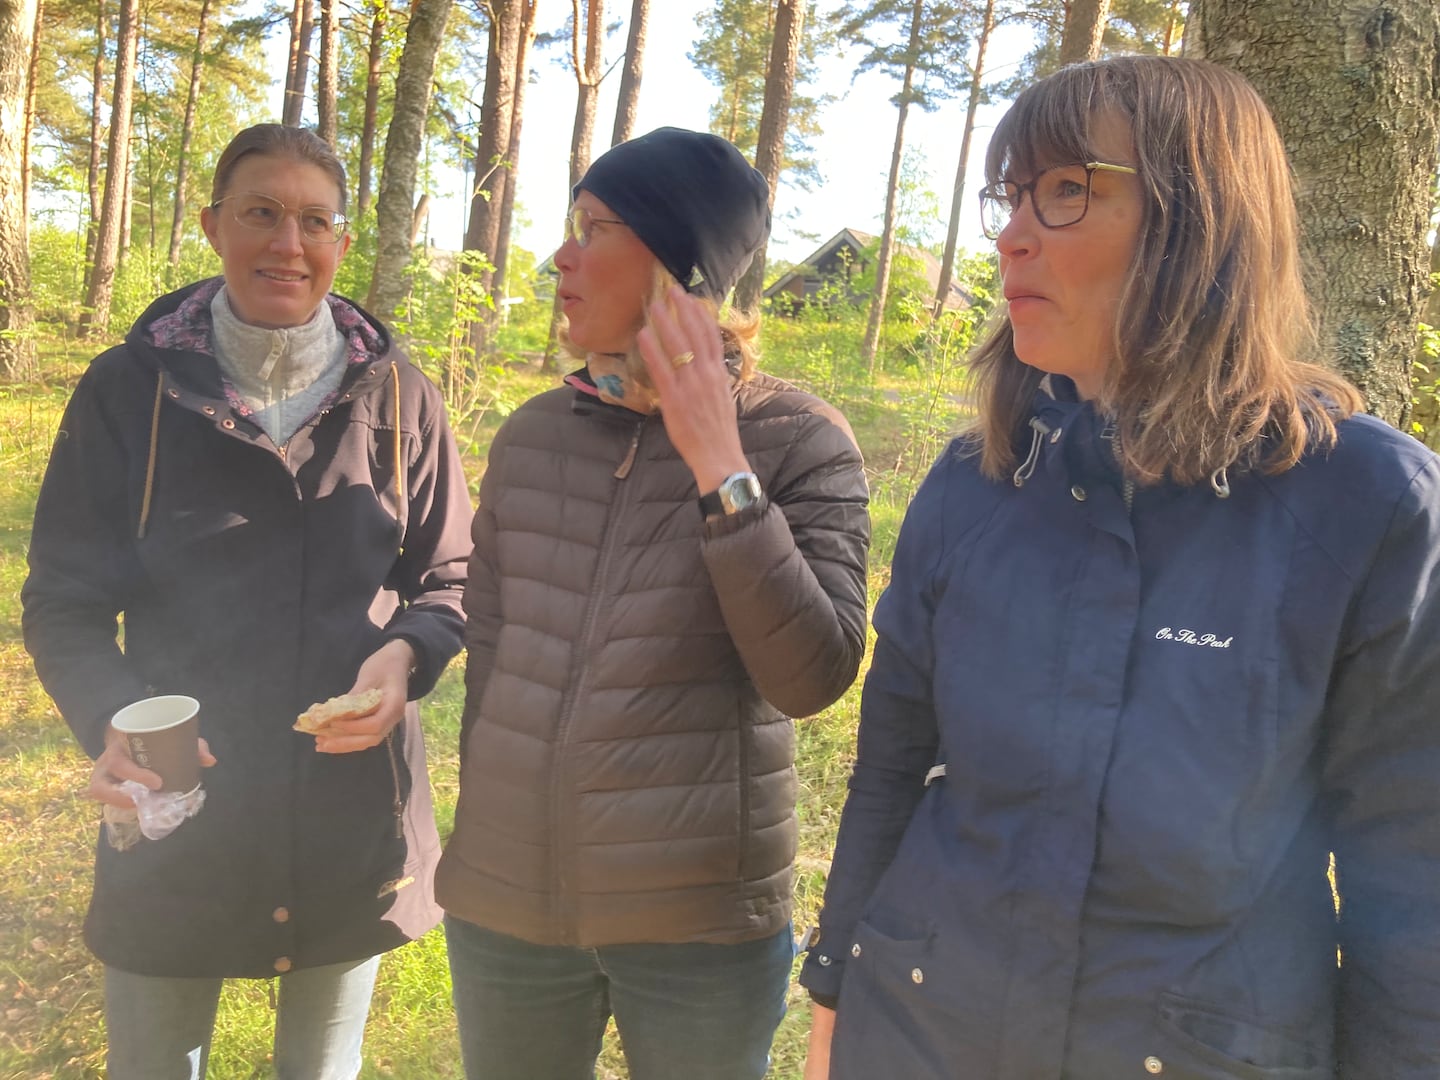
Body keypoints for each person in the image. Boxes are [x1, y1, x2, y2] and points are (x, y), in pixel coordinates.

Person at [799, 56, 1440, 1080]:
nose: (1011, 234)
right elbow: (889, 766)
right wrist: (833, 983)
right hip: (920, 1031)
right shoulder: (976, 480)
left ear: (1202, 219)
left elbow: (1413, 879)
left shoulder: (1369, 508)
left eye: (1065, 191)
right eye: (1010, 195)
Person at [21, 124, 472, 1080]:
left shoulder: (400, 399)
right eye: (261, 213)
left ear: (342, 243)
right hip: (176, 805)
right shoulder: (128, 393)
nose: (288, 243)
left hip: (350, 819)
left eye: (315, 220)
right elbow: (62, 599)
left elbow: (452, 576)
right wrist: (114, 723)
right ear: (212, 225)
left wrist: (408, 658)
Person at [434, 126, 871, 1080]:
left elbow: (813, 676)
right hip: (509, 913)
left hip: (696, 930)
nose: (560, 256)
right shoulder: (534, 436)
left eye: (593, 228)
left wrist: (721, 462)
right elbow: (496, 656)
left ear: (680, 270)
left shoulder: (801, 442)